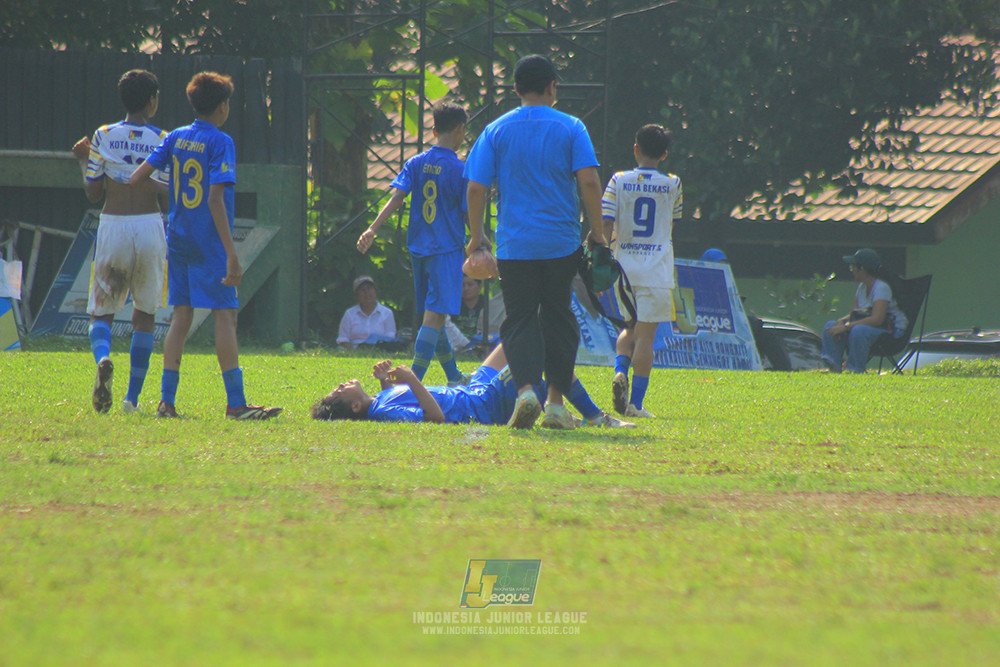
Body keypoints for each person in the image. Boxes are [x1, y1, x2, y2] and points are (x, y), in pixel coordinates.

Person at [465, 54, 607, 431]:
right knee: (559, 318)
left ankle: (526, 389)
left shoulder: (495, 130)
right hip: (561, 242)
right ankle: (556, 405)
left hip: (515, 245)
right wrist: (598, 231)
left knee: (520, 319)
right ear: (551, 87)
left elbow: (476, 188)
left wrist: (477, 235)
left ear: (515, 89)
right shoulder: (572, 127)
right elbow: (590, 182)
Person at [130, 71, 281, 420]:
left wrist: (178, 200)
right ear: (223, 106)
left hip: (179, 237)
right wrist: (232, 253)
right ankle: (236, 404)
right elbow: (215, 198)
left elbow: (138, 178)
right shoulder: (221, 142)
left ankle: (166, 402)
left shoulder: (176, 137)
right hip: (209, 242)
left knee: (181, 316)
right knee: (225, 316)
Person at [71, 69, 168, 414]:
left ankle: (104, 358)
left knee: (102, 312)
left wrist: (84, 159)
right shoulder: (163, 138)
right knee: (145, 314)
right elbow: (169, 196)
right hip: (148, 227)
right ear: (152, 100)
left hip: (113, 226)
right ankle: (131, 399)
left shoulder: (104, 135)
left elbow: (93, 193)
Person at [357, 102, 468, 385]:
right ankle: (412, 381)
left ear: (433, 130)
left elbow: (396, 197)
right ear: (460, 131)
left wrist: (372, 228)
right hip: (446, 250)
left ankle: (454, 376)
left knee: (434, 315)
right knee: (435, 314)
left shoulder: (416, 162)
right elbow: (467, 211)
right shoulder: (459, 169)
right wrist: (480, 240)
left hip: (419, 248)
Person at [311, 343, 633, 427]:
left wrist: (385, 384)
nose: (342, 384)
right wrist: (411, 378)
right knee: (538, 345)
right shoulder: (381, 414)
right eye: (339, 390)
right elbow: (434, 418)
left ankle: (554, 406)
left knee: (515, 338)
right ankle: (594, 416)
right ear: (354, 406)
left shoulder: (380, 403)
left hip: (474, 388)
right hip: (483, 403)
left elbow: (401, 404)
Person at [603, 124, 682, 419]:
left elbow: (607, 221)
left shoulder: (618, 180)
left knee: (629, 328)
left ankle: (620, 370)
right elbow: (672, 224)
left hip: (624, 267)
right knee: (646, 337)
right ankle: (635, 403)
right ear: (664, 154)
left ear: (635, 149)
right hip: (656, 268)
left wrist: (605, 255)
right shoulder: (673, 183)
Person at [821, 248, 908, 373]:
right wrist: (841, 321)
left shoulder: (881, 288)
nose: (852, 270)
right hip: (868, 327)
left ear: (862, 269)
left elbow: (877, 319)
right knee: (830, 325)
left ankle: (855, 370)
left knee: (858, 330)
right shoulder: (861, 287)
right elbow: (854, 314)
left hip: (890, 330)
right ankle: (834, 366)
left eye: (853, 267)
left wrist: (846, 327)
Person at [336, 275, 398, 348]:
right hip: (354, 352)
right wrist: (355, 352)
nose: (367, 293)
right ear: (356, 295)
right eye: (362, 290)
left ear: (376, 291)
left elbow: (390, 338)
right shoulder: (349, 314)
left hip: (380, 351)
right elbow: (343, 339)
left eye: (369, 288)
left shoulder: (387, 313)